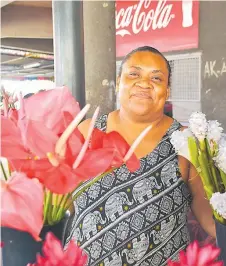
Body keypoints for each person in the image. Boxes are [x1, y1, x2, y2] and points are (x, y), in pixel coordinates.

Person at [65, 46, 215, 265]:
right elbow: (63, 202)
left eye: (156, 78)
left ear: (168, 90)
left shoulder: (186, 141)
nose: (144, 83)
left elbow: (208, 213)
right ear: (118, 83)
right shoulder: (86, 131)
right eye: (134, 74)